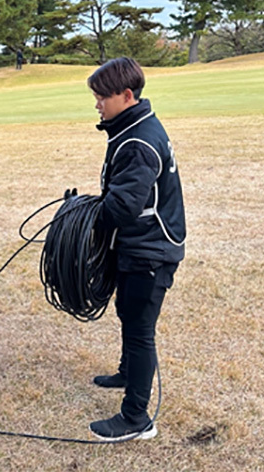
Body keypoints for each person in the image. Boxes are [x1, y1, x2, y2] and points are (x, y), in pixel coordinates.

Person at [85, 57, 186, 441]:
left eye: (102, 97)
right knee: (128, 312)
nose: (97, 104)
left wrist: (83, 216)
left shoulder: (139, 141)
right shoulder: (134, 127)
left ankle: (136, 419)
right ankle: (128, 373)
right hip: (140, 244)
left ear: (127, 95)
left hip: (151, 250)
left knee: (141, 329)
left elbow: (123, 207)